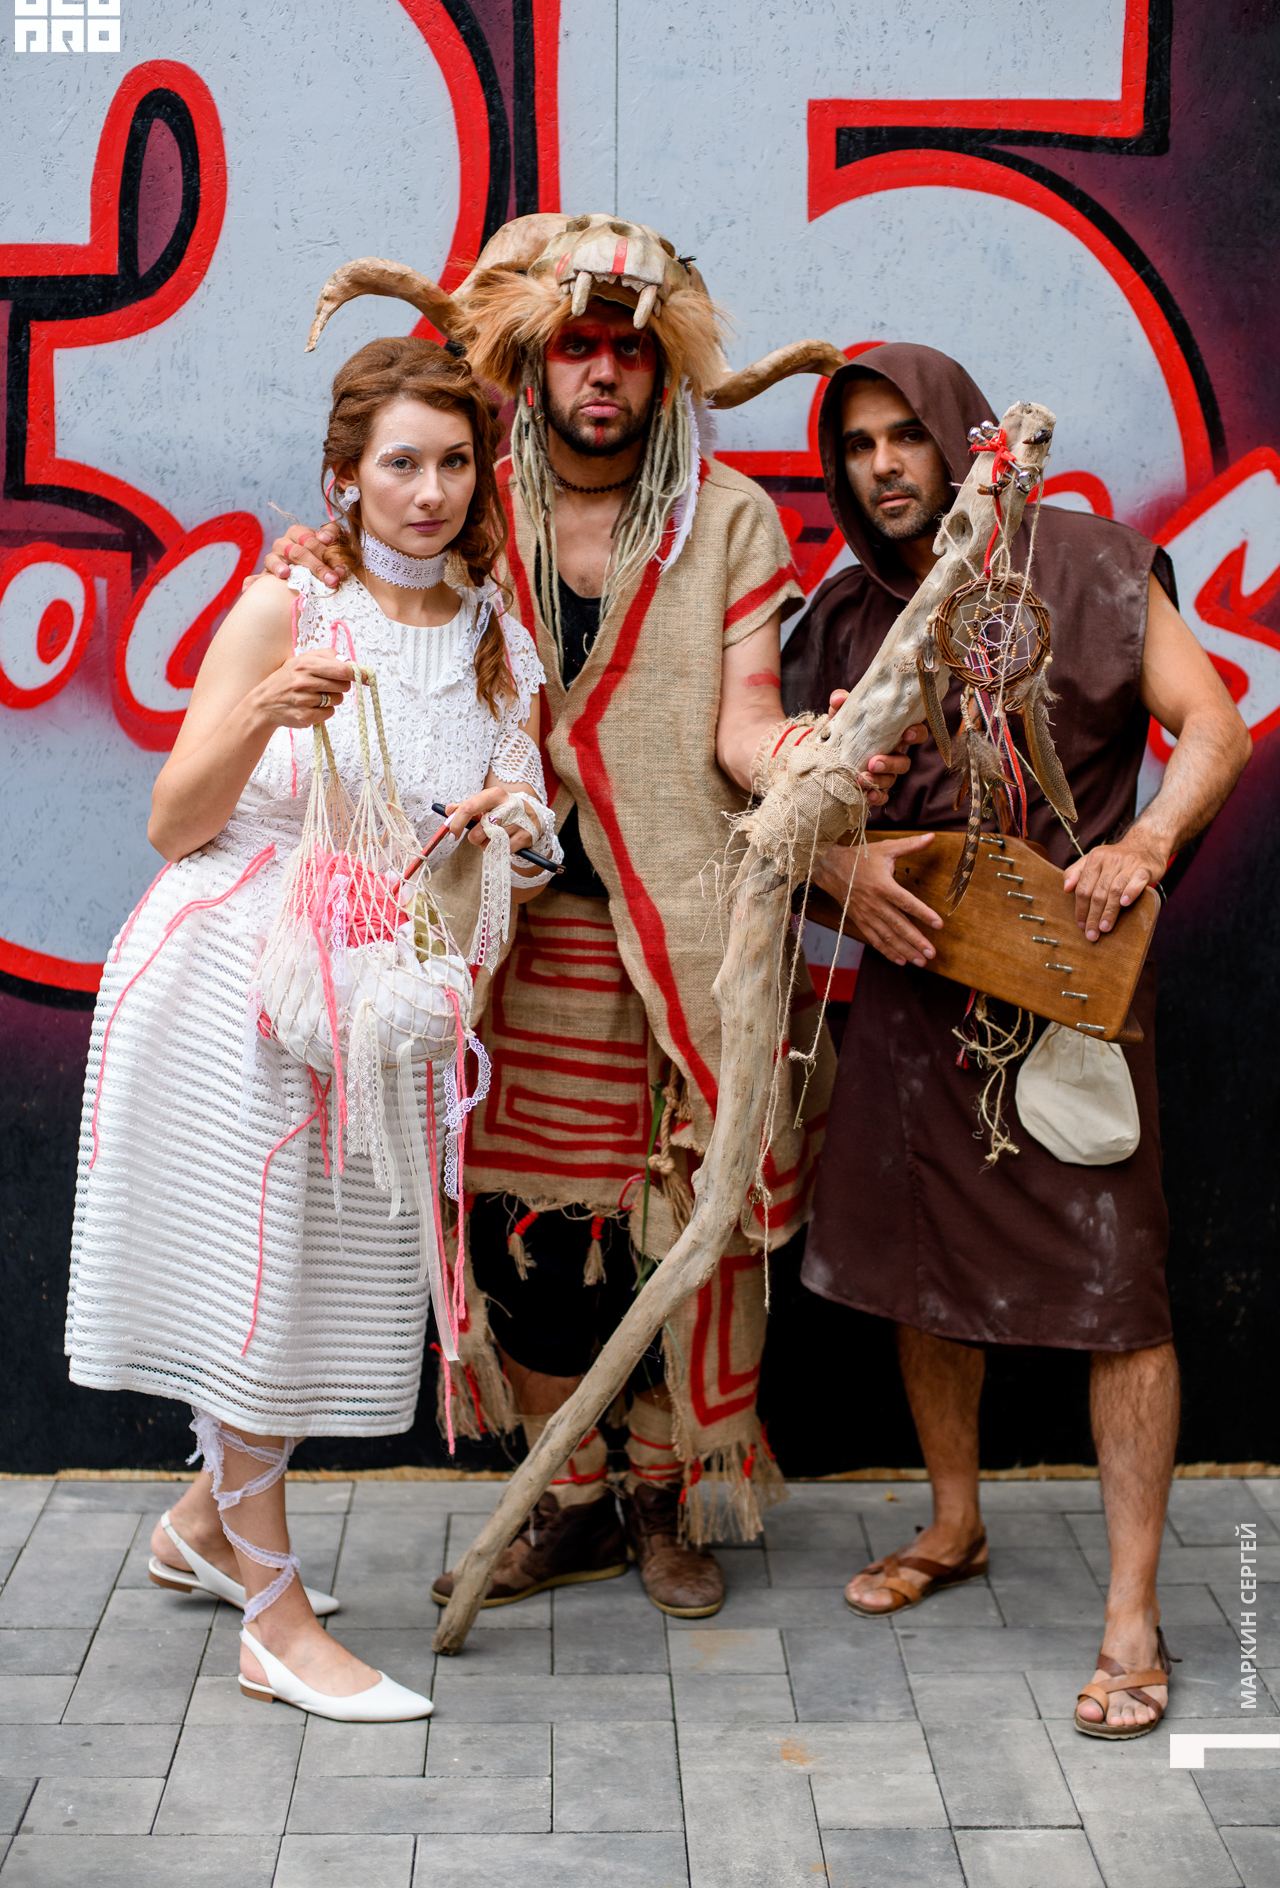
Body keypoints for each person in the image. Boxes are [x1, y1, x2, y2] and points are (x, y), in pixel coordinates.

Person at [269, 212, 916, 1619]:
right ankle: (564, 1503)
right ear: (536, 363)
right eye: (577, 349)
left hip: (683, 929)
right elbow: (378, 588)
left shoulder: (726, 518)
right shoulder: (470, 495)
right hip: (499, 932)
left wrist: (806, 760)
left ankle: (661, 1499)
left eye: (628, 351)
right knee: (521, 1221)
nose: (603, 374)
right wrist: (313, 566)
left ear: (663, 369)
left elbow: (745, 726)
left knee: (678, 1222)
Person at [68, 336, 557, 1719]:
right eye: (400, 464)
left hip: (376, 997)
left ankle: (201, 1530)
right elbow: (174, 822)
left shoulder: (494, 638)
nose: (430, 491)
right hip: (230, 989)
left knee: (311, 1288)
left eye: (453, 463)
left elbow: (528, 839)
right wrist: (263, 713)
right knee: (262, 1293)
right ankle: (274, 1623)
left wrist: (511, 827)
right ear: (344, 478)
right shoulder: (284, 609)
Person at [783, 343, 1251, 1739]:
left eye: (904, 435)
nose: (883, 465)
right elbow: (777, 815)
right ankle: (955, 1522)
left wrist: (1145, 846)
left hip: (1069, 991)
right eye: (856, 445)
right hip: (917, 996)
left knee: (1122, 1298)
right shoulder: (845, 619)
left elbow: (1214, 727)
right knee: (924, 1273)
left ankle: (1131, 1613)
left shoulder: (1096, 565)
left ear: (963, 435)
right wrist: (842, 861)